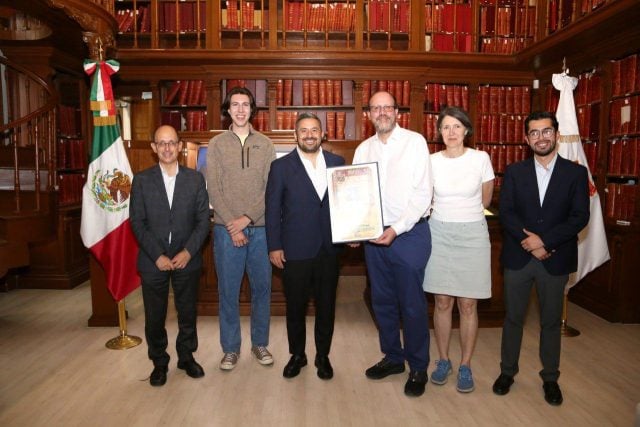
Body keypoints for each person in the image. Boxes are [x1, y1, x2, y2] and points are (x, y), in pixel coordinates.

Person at [492, 111, 590, 406]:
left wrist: (545, 241)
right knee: (513, 319)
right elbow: (506, 212)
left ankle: (550, 378)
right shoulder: (514, 171)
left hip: (555, 258)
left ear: (556, 135)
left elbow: (579, 216)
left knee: (550, 322)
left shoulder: (575, 173)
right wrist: (530, 243)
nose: (541, 137)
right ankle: (507, 372)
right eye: (534, 133)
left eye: (546, 131)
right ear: (526, 139)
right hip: (519, 258)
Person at [352, 91, 433, 397]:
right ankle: (393, 357)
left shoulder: (415, 143)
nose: (382, 112)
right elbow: (357, 195)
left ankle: (418, 366)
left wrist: (396, 229)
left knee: (411, 305)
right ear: (369, 114)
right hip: (374, 237)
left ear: (397, 111)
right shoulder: (363, 149)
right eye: (376, 108)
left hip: (409, 234)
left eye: (387, 107)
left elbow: (423, 193)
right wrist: (355, 232)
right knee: (382, 301)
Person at [265, 113, 345, 380]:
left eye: (314, 130)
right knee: (295, 307)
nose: (309, 134)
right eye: (304, 130)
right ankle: (297, 355)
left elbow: (348, 203)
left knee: (326, 306)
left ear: (323, 134)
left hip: (329, 249)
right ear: (295, 135)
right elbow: (272, 208)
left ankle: (323, 356)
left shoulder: (337, 163)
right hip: (295, 249)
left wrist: (353, 230)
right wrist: (274, 246)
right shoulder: (281, 167)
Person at [130, 125, 210, 387]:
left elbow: (203, 222)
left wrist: (188, 251)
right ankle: (159, 363)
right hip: (154, 262)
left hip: (188, 259)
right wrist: (157, 256)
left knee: (187, 312)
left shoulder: (195, 179)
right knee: (155, 316)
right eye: (161, 143)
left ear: (179, 146)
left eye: (171, 143)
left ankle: (186, 357)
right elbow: (137, 223)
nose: (166, 148)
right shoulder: (141, 181)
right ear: (154, 148)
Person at [423, 107, 495, 393]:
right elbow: (424, 197)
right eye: (445, 127)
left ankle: (465, 365)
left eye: (456, 127)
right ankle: (443, 361)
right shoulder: (430, 161)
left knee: (468, 304)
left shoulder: (481, 159)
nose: (451, 132)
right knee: (442, 301)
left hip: (472, 235)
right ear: (439, 133)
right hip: (438, 232)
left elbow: (485, 200)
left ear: (466, 130)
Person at [206, 86, 276, 370]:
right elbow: (214, 188)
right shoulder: (217, 144)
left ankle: (260, 344)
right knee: (228, 292)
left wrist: (246, 219)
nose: (240, 110)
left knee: (262, 290)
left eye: (245, 105)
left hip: (260, 230)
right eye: (234, 105)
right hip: (225, 231)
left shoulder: (266, 144)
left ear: (252, 110)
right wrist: (233, 226)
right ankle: (231, 349)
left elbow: (270, 190)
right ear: (227, 110)